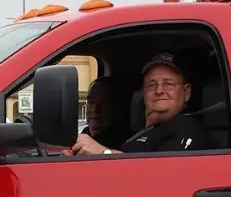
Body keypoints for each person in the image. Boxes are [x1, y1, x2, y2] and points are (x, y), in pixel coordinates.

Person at [70, 52, 211, 155]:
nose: (159, 90)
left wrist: (103, 153)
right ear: (144, 93)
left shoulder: (187, 129)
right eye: (151, 85)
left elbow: (163, 177)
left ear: (186, 92)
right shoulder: (140, 133)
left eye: (169, 84)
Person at [79, 76, 132, 150]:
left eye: (104, 103)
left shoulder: (128, 144)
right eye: (91, 102)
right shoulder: (83, 135)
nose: (94, 109)